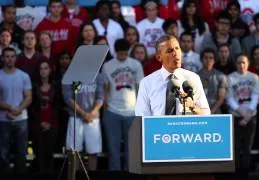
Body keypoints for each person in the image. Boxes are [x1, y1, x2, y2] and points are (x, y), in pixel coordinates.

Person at [135, 35, 210, 116]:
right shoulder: (147, 83)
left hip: (187, 128)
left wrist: (193, 107)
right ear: (159, 57)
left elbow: (206, 114)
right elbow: (141, 117)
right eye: (170, 50)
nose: (175, 53)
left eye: (177, 48)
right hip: (158, 128)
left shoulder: (193, 79)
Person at [101, 39, 144, 171]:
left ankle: (130, 175)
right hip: (112, 111)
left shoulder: (136, 64)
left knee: (131, 150)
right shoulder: (107, 66)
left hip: (131, 111)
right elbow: (105, 88)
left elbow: (140, 88)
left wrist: (140, 110)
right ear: (116, 52)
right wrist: (105, 108)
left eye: (125, 53)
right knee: (113, 149)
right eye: (120, 54)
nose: (123, 56)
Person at [62, 65, 104, 171]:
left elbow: (101, 96)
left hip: (93, 118)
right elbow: (68, 98)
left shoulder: (98, 76)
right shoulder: (70, 76)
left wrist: (92, 113)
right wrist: (83, 113)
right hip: (75, 117)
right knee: (74, 152)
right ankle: (75, 176)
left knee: (93, 152)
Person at [226, 54, 259, 180]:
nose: (241, 65)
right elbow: (229, 98)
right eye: (239, 62)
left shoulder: (254, 77)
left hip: (251, 117)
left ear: (248, 64)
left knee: (247, 148)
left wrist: (248, 115)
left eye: (244, 62)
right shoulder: (230, 78)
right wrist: (241, 113)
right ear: (236, 64)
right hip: (236, 116)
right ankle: (235, 175)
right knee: (235, 147)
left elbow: (256, 95)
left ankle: (245, 175)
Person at [0, 47, 32, 174]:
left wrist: (19, 109)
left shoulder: (23, 76)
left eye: (12, 56)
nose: (9, 59)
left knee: (21, 152)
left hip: (21, 119)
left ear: (16, 58)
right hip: (3, 119)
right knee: (3, 152)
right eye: (7, 56)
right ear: (2, 58)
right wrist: (9, 108)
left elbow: (28, 96)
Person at [31, 60, 60, 173]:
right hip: (37, 124)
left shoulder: (55, 87)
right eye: (41, 69)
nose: (43, 71)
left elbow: (57, 107)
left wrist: (50, 123)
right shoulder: (34, 87)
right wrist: (40, 122)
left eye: (46, 68)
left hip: (52, 124)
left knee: (50, 152)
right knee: (39, 153)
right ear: (38, 71)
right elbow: (32, 107)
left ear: (50, 70)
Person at [198, 48, 227, 114]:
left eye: (211, 58)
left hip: (215, 110)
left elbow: (221, 98)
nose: (208, 60)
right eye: (205, 58)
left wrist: (211, 112)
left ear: (214, 60)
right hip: (199, 110)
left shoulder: (221, 76)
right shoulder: (195, 76)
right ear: (201, 60)